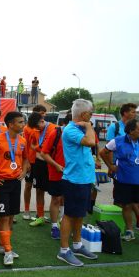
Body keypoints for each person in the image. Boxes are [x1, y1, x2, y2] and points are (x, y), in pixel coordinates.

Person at [100, 119, 139, 247]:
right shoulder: (117, 141)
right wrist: (110, 166)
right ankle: (129, 231)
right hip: (124, 181)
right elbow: (102, 152)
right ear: (131, 130)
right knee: (126, 206)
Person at [56, 99, 98, 266]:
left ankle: (78, 244)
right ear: (83, 115)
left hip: (84, 179)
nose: (92, 116)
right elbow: (90, 142)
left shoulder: (80, 128)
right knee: (69, 214)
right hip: (74, 180)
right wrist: (88, 127)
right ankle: (64, 251)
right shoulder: (71, 130)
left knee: (80, 214)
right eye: (91, 113)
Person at [0, 111, 30, 265]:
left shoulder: (22, 140)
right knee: (4, 216)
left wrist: (24, 170)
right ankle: (8, 250)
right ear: (10, 124)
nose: (23, 125)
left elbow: (26, 158)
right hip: (1, 183)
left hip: (15, 182)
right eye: (20, 122)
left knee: (11, 217)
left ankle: (3, 246)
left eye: (23, 122)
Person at [41, 113, 71, 239]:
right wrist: (56, 165)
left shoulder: (81, 135)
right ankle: (54, 226)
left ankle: (63, 222)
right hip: (56, 172)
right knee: (56, 199)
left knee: (67, 199)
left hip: (73, 173)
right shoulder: (56, 133)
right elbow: (44, 153)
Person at [26, 111, 57, 226]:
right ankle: (40, 216)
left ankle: (58, 219)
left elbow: (47, 149)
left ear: (42, 121)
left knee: (57, 194)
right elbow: (32, 145)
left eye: (37, 127)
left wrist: (38, 149)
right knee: (39, 190)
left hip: (52, 164)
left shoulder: (55, 129)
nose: (36, 129)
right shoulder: (35, 131)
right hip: (39, 163)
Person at [22, 105, 47, 220]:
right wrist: (26, 162)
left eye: (44, 113)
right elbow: (26, 145)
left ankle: (40, 213)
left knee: (40, 187)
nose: (44, 115)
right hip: (30, 161)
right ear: (35, 114)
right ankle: (26, 211)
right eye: (42, 113)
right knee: (28, 185)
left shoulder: (43, 128)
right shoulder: (28, 128)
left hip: (40, 161)